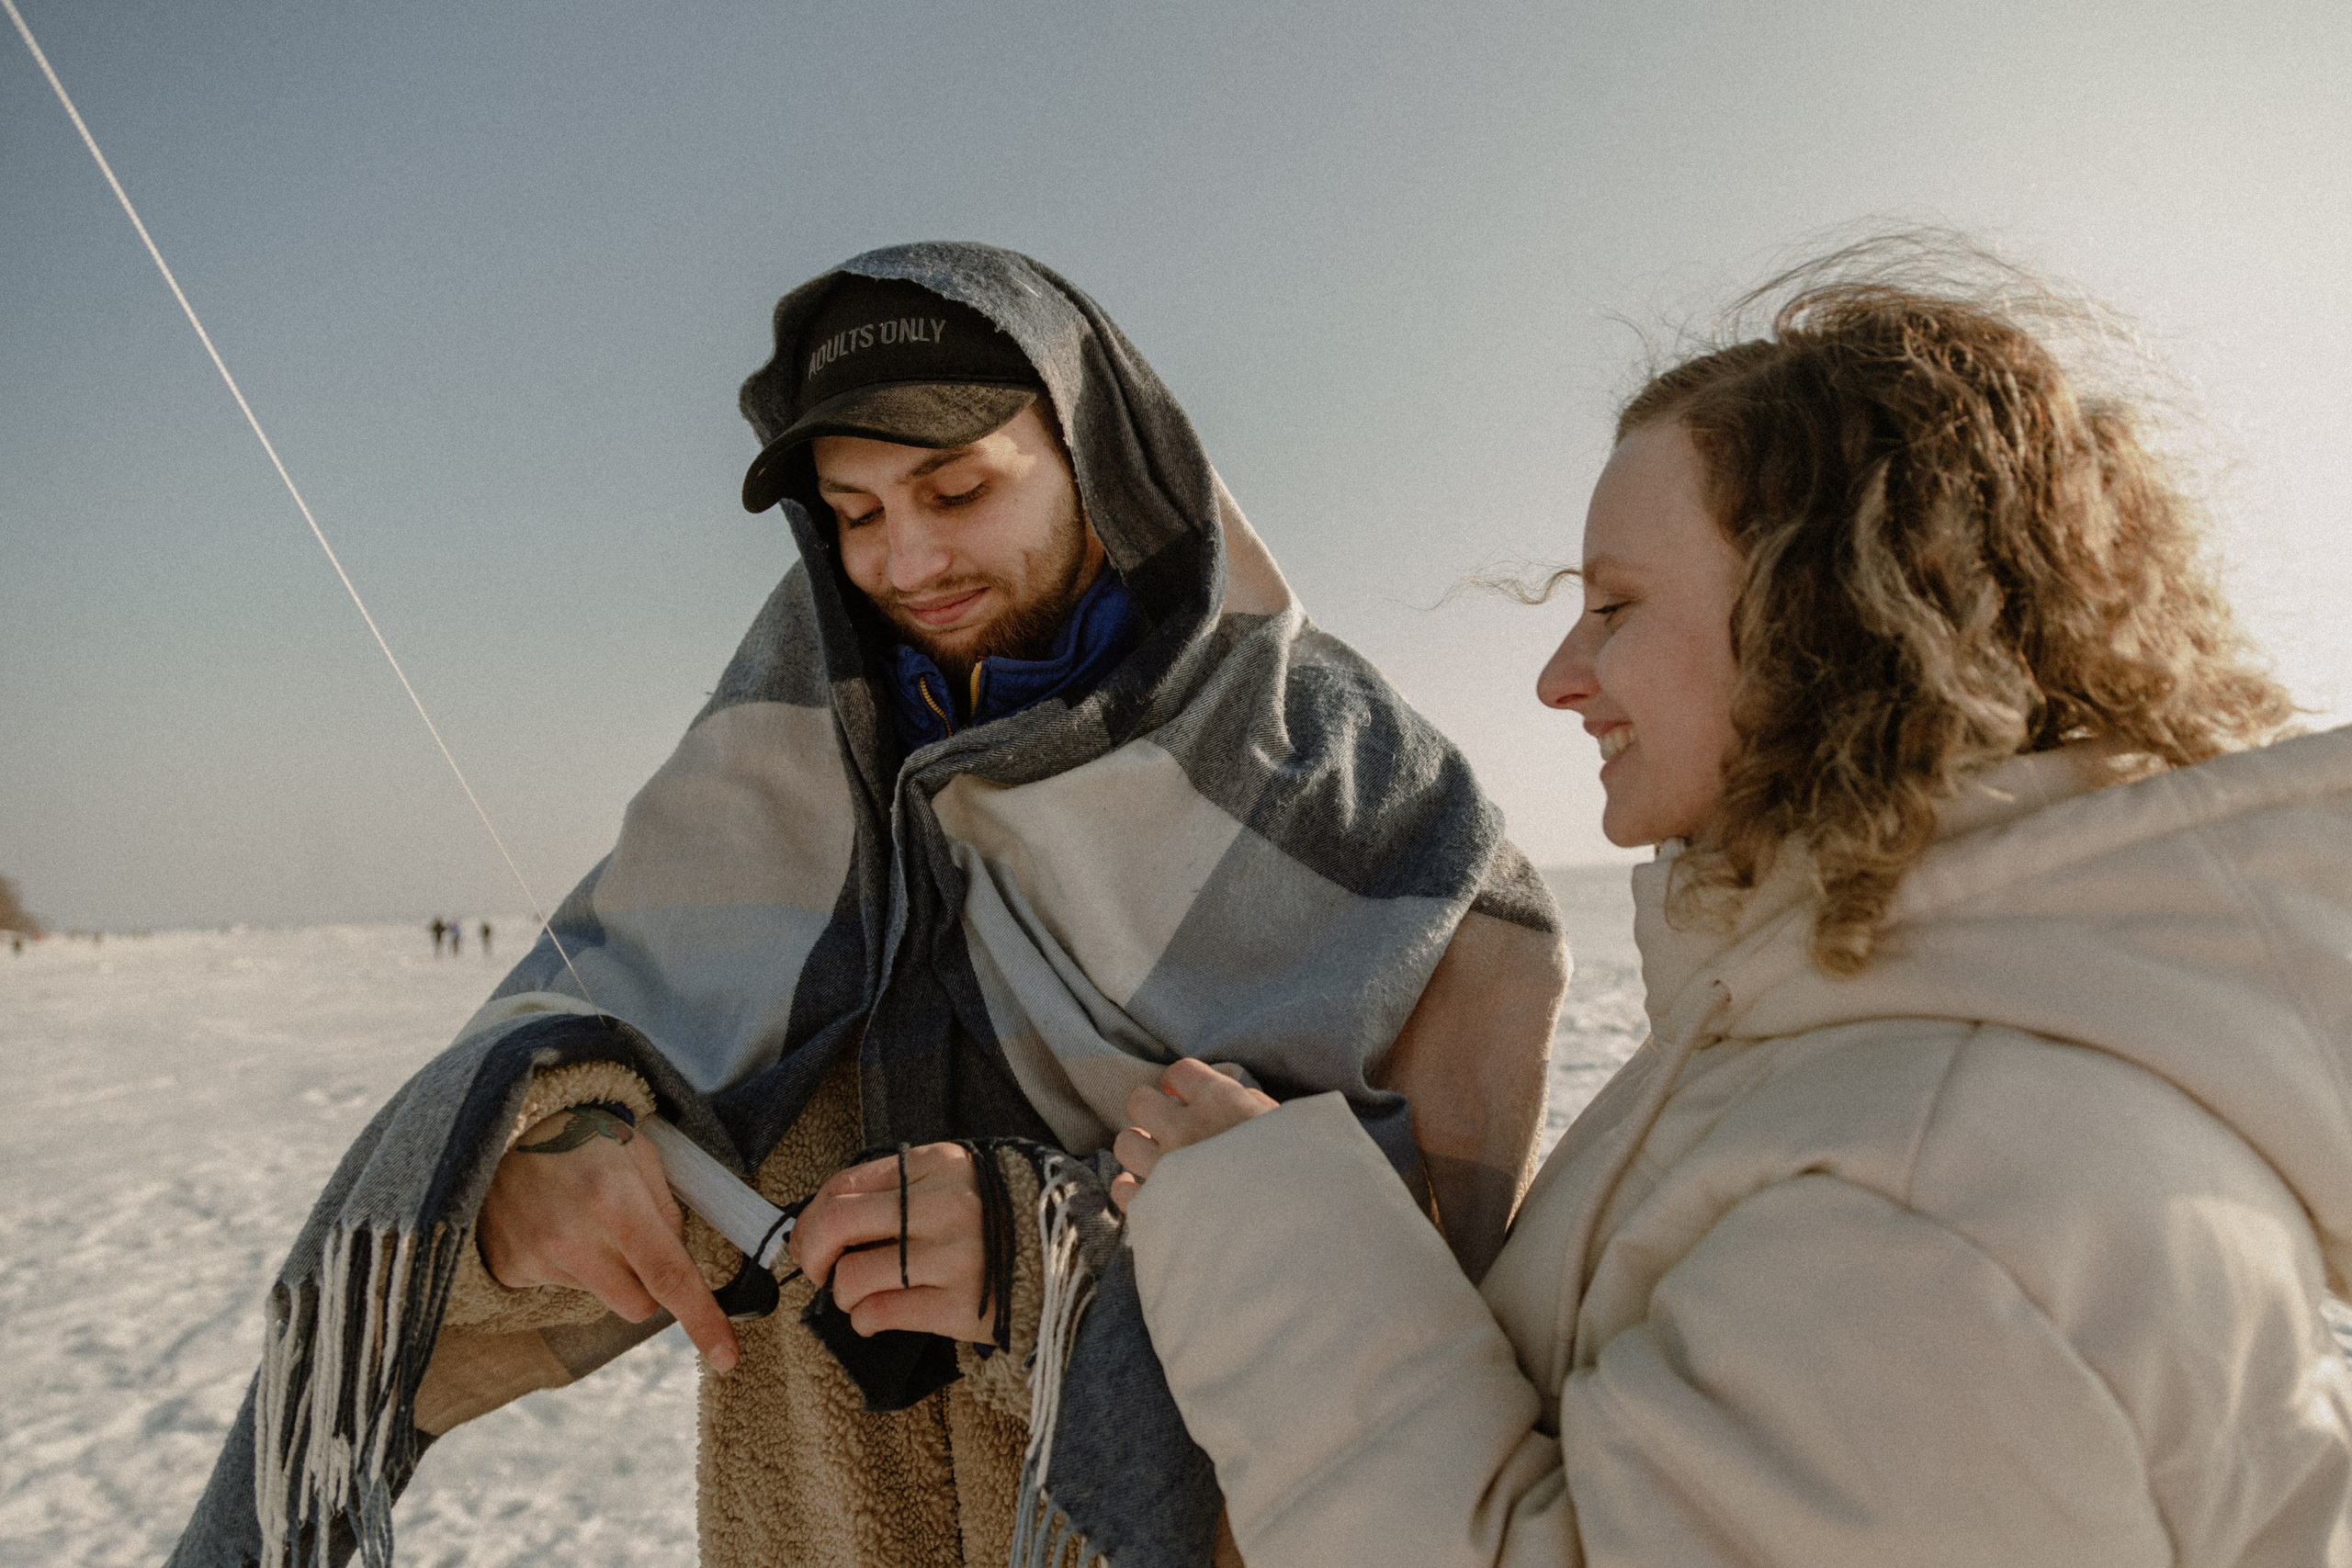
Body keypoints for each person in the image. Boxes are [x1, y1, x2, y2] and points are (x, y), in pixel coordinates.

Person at [171, 243, 1566, 1568]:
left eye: (957, 494)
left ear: (1104, 457)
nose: (904, 566)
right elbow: (577, 1037)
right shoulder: (786, 749)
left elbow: (1430, 1297)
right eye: (853, 517)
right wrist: (541, 1158)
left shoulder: (1352, 788)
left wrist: (1050, 1256)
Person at [1113, 248, 2352, 1566]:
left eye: (1614, 606)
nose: (1556, 677)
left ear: (1843, 618)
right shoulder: (1836, 1033)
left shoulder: (1949, 1191)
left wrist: (1273, 1236)